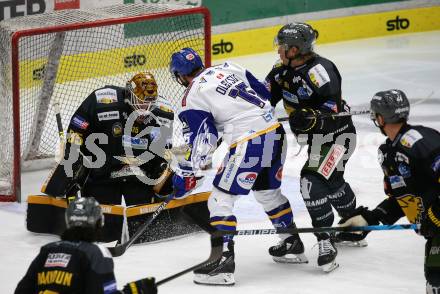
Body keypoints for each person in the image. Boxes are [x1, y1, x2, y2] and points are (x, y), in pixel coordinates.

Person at [169, 47, 307, 286]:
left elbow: (204, 140)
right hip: (275, 132)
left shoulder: (192, 95)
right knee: (267, 193)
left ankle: (223, 262)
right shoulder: (229, 67)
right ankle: (292, 243)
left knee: (219, 199)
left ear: (180, 76)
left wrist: (188, 172)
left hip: (250, 142)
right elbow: (264, 93)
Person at [264, 22, 361, 272]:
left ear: (295, 49)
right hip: (316, 141)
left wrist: (312, 116)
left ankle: (325, 240)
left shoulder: (321, 71)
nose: (279, 51)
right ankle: (356, 224)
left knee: (311, 183)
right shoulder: (280, 71)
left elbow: (332, 107)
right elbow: (262, 99)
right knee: (333, 183)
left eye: (283, 47)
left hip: (338, 137)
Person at [337, 89, 440, 293]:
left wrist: (436, 214)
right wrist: (371, 218)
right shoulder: (391, 152)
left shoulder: (420, 141)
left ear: (381, 118)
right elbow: (403, 197)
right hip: (436, 233)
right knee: (435, 279)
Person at [42, 71, 175, 206]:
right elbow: (78, 128)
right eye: (140, 102)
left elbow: (162, 150)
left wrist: (162, 172)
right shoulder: (102, 100)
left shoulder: (163, 112)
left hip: (137, 175)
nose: (145, 109)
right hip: (101, 173)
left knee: (144, 216)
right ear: (129, 95)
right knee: (102, 222)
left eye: (150, 103)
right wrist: (72, 152)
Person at [15, 197, 157, 294]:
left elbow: (21, 291)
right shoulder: (96, 253)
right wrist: (134, 290)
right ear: (98, 223)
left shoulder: (48, 250)